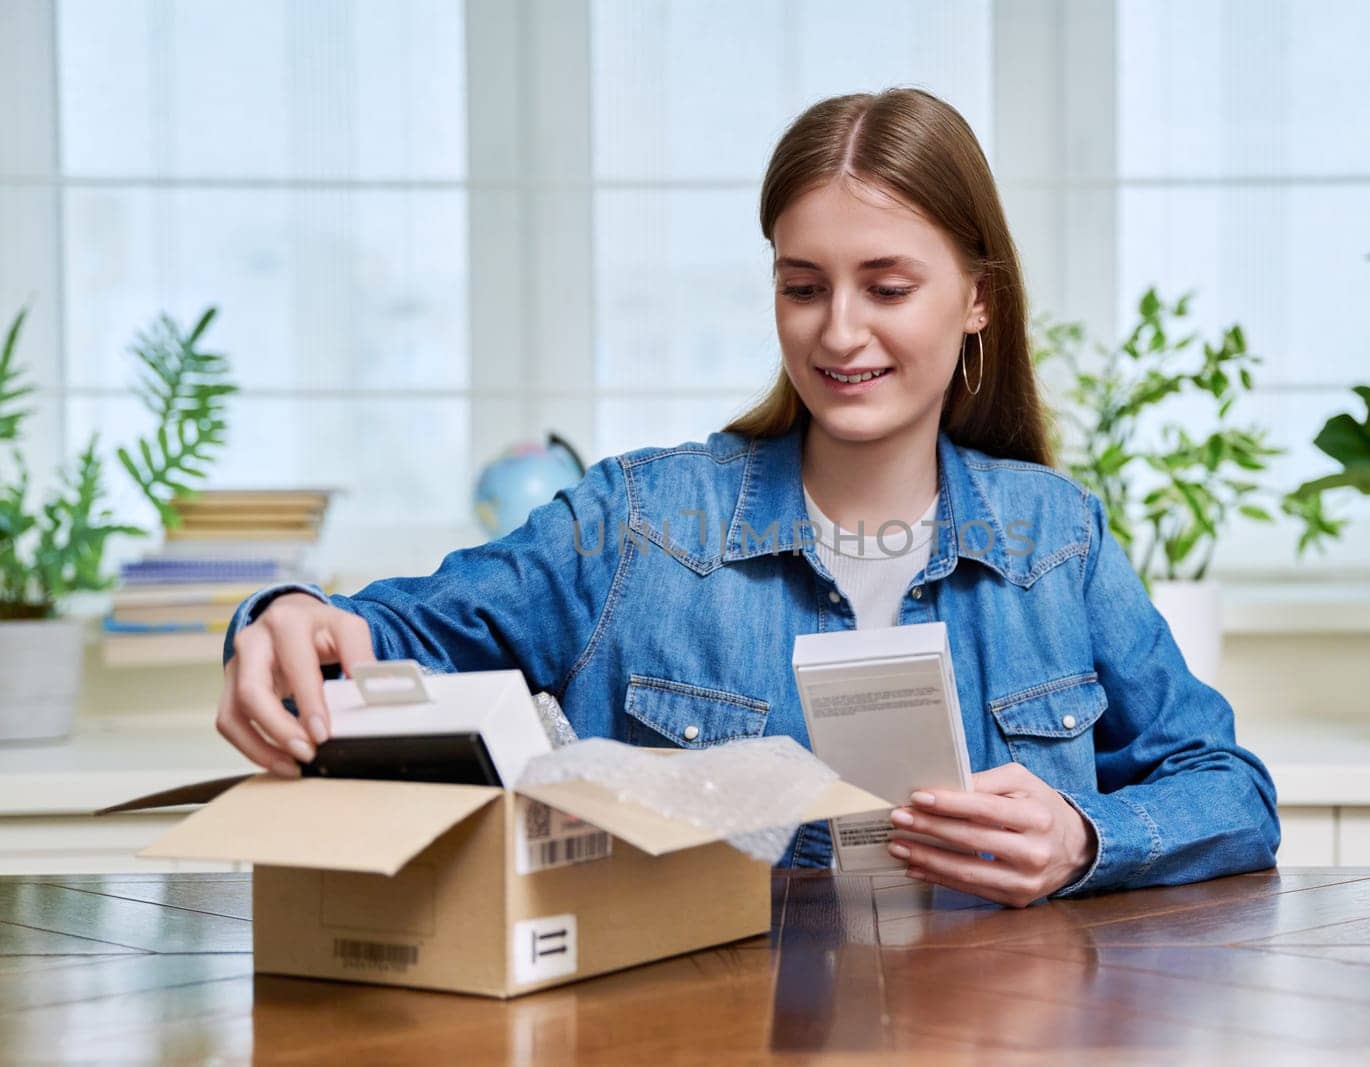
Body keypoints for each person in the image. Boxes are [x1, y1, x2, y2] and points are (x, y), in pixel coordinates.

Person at [215, 88, 1279, 908]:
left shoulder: (1057, 538)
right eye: (803, 285)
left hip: (995, 1028)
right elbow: (393, 628)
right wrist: (286, 618)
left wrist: (1084, 838)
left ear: (978, 299)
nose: (839, 330)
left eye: (888, 286)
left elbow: (1230, 790)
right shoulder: (637, 524)